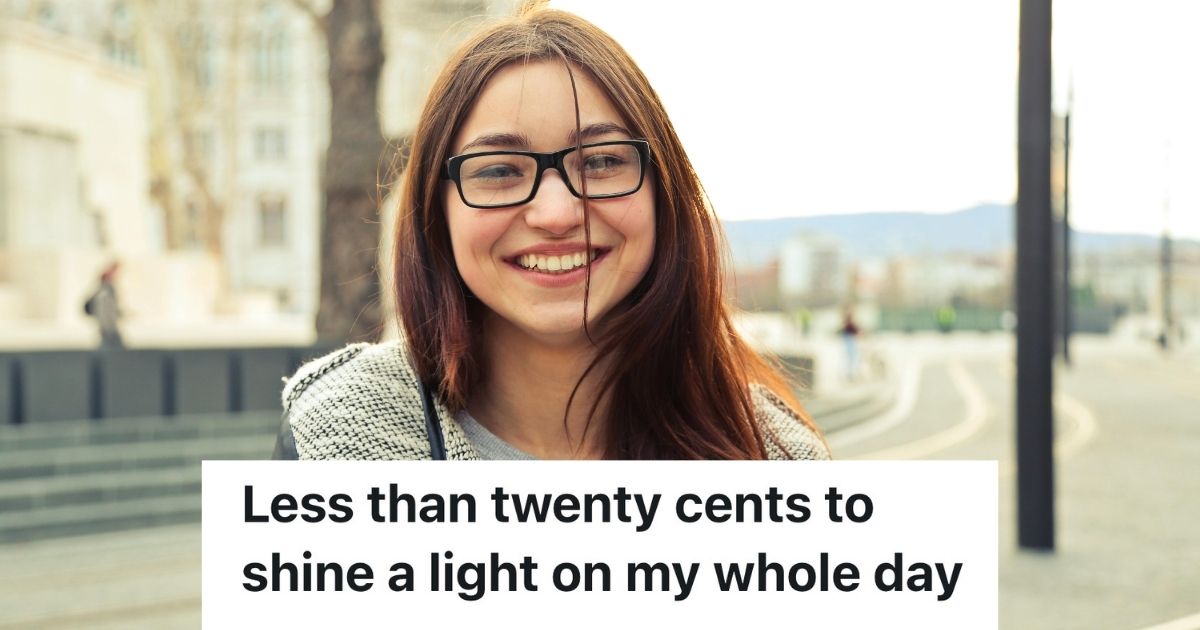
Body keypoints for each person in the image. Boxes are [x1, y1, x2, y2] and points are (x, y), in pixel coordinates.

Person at [274, 6, 829, 461]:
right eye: (497, 170)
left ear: (665, 194)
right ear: (435, 211)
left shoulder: (777, 458)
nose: (558, 212)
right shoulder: (341, 438)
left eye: (603, 162)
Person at [85, 261, 123, 349]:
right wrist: (108, 327)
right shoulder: (105, 294)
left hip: (109, 327)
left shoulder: (109, 292)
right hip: (108, 329)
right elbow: (105, 312)